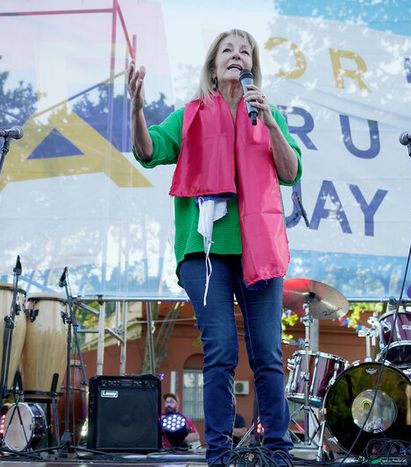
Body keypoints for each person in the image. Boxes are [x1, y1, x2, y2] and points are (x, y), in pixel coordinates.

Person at [127, 28, 301, 466]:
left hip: (259, 251)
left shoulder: (266, 113)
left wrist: (271, 124)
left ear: (252, 68)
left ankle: (278, 452)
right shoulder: (189, 116)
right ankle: (218, 454)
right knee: (221, 350)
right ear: (212, 64)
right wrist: (137, 107)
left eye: (245, 52)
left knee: (268, 355)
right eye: (228, 50)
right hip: (204, 252)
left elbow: (291, 170)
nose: (237, 56)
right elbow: (147, 151)